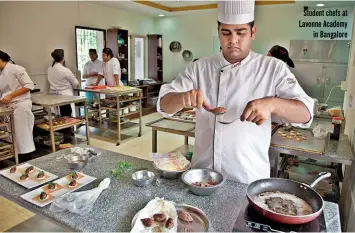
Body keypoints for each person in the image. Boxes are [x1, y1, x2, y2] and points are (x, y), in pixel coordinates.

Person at [157, 0, 314, 184]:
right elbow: (163, 104)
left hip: (248, 181)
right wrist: (182, 98)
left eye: (241, 33)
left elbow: (306, 113)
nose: (233, 41)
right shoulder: (199, 68)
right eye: (226, 33)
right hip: (201, 178)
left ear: (253, 32)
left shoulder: (272, 68)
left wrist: (272, 103)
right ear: (218, 31)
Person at [0, 50, 36, 160]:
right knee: (12, 135)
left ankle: (26, 159)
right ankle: (16, 157)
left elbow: (29, 85)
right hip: (8, 107)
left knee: (22, 135)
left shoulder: (16, 69)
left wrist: (11, 96)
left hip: (20, 105)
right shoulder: (1, 72)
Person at [47, 49, 79, 137]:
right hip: (65, 96)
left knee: (58, 117)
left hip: (54, 96)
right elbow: (76, 83)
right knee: (66, 116)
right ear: (63, 58)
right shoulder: (65, 70)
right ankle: (68, 135)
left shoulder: (50, 69)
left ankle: (60, 134)